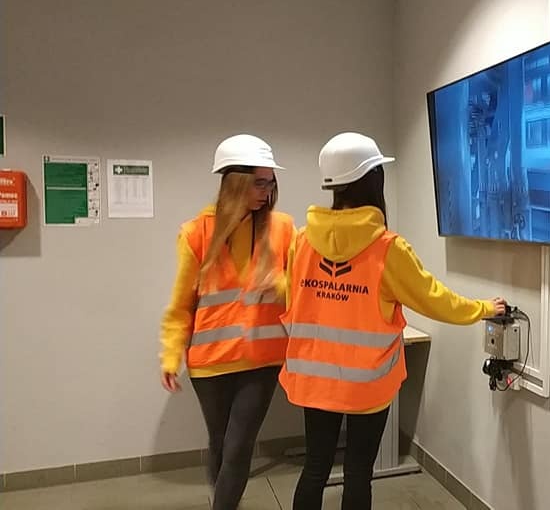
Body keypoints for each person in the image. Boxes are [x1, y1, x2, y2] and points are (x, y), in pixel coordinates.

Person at [280, 132, 507, 510]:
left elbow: (294, 302)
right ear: (374, 180)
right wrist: (482, 308)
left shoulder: (301, 242)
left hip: (314, 379)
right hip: (366, 384)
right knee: (357, 473)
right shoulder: (387, 248)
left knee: (315, 468)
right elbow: (435, 300)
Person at [158, 134, 296, 510]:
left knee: (238, 446)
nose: (267, 192)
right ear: (235, 182)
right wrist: (170, 354)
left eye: (271, 183)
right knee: (220, 443)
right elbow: (181, 304)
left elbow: (302, 289)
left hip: (262, 360)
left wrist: (278, 284)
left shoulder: (283, 228)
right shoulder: (196, 233)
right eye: (260, 183)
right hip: (210, 363)